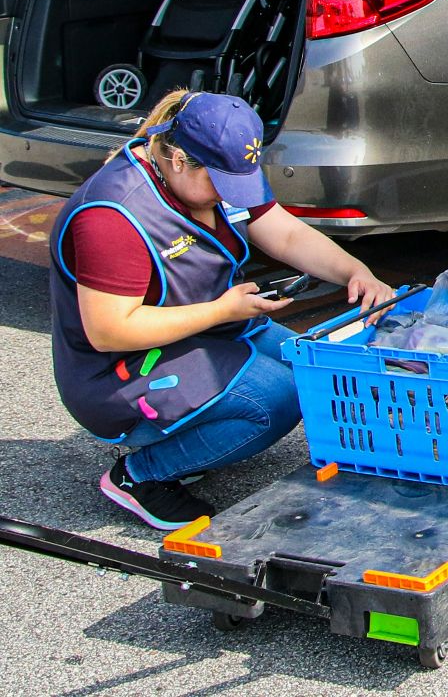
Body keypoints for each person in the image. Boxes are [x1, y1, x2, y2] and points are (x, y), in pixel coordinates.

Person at [47, 89, 394, 530]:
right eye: (220, 182)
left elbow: (282, 233)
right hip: (116, 370)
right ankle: (139, 476)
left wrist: (355, 271)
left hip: (204, 326)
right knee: (278, 399)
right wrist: (221, 311)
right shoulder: (113, 216)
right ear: (177, 159)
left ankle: (197, 436)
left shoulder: (216, 169)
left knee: (313, 370)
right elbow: (110, 330)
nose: (229, 193)